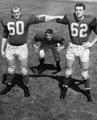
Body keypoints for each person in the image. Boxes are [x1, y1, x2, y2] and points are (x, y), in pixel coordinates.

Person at [0, 4, 55, 97]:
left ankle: (26, 86)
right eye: (14, 13)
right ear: (12, 13)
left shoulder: (26, 18)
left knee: (24, 70)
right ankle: (8, 85)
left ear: (20, 12)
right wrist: (2, 48)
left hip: (22, 47)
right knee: (10, 69)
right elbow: (5, 35)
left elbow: (41, 18)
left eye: (17, 12)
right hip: (10, 47)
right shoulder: (7, 20)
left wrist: (56, 17)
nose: (16, 14)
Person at [54, 2, 97, 102]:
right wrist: (46, 17)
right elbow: (58, 18)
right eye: (76, 10)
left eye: (80, 10)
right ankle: (64, 89)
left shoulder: (90, 20)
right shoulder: (70, 17)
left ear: (84, 11)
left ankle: (88, 92)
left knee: (84, 74)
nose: (78, 12)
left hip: (83, 49)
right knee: (68, 71)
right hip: (72, 47)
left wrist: (91, 43)